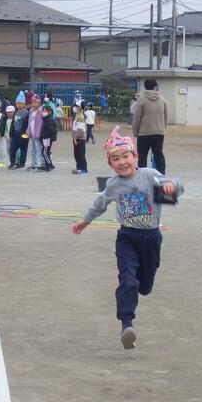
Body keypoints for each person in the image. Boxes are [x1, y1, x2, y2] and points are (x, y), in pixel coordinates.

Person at [71, 126, 184, 350]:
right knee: (127, 279)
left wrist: (172, 187)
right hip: (127, 238)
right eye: (115, 159)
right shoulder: (113, 184)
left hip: (151, 238)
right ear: (110, 163)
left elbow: (178, 186)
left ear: (136, 156)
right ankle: (126, 324)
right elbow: (100, 203)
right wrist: (85, 221)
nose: (122, 162)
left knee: (145, 285)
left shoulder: (149, 175)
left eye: (126, 156)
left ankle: (141, 287)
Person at [132, 78, 168, 173]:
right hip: (159, 133)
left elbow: (136, 117)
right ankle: (161, 175)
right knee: (158, 154)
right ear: (155, 86)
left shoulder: (141, 100)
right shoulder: (162, 99)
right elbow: (165, 117)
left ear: (145, 86)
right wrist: (163, 129)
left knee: (142, 155)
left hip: (144, 133)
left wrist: (135, 132)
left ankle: (143, 175)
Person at [26, 94, 44, 170]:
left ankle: (42, 164)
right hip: (32, 134)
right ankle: (34, 164)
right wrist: (28, 131)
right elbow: (29, 122)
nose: (36, 104)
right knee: (33, 150)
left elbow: (40, 123)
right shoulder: (31, 111)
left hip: (37, 134)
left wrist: (38, 133)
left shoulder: (40, 111)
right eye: (35, 102)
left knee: (39, 150)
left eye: (38, 102)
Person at [39, 103, 57, 171]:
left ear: (49, 112)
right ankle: (50, 165)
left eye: (45, 111)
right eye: (43, 111)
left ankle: (48, 166)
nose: (43, 112)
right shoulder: (46, 119)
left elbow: (51, 131)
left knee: (44, 152)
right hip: (47, 138)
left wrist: (43, 136)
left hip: (47, 139)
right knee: (46, 152)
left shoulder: (49, 120)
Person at [71, 104, 88, 174]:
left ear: (80, 108)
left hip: (80, 138)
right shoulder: (77, 115)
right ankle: (79, 167)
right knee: (76, 154)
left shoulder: (81, 116)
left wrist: (75, 138)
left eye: (76, 106)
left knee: (81, 154)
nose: (74, 108)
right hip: (76, 137)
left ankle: (84, 169)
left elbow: (80, 130)